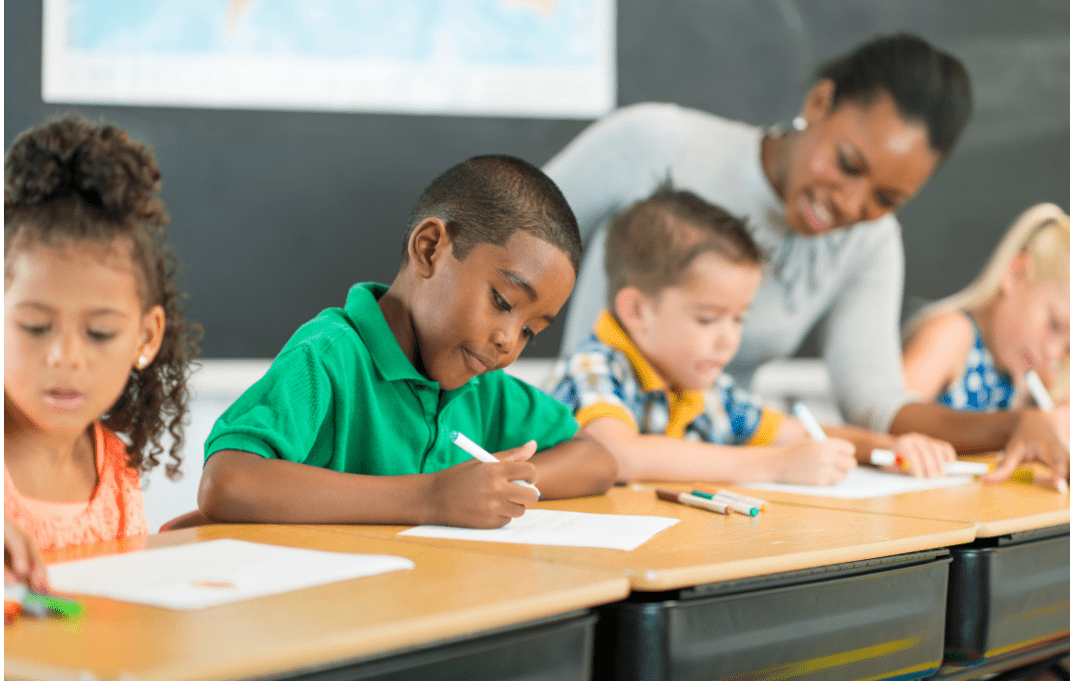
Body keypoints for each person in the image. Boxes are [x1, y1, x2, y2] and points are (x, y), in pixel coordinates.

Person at [545, 33, 1067, 485]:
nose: (851, 204)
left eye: (885, 200)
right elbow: (504, 237)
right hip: (615, 474)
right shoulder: (655, 144)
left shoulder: (870, 243)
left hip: (716, 476)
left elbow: (877, 401)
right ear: (819, 103)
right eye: (847, 163)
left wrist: (1003, 427)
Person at [198, 155, 618, 529]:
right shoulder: (329, 358)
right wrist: (431, 497)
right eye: (502, 301)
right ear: (430, 249)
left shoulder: (479, 386)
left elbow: (596, 460)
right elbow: (228, 480)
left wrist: (499, 485)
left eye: (531, 330)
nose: (508, 342)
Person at [547, 187, 857, 484]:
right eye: (707, 319)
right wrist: (774, 465)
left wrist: (882, 448)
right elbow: (619, 455)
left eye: (739, 318)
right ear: (638, 311)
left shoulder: (704, 388)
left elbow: (796, 434)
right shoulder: (592, 367)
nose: (729, 340)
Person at [4, 114, 199, 579]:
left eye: (99, 334)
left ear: (145, 338)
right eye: (35, 327)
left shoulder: (115, 473)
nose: (65, 356)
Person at [903, 203, 1070, 461]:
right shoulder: (953, 334)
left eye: (1068, 348)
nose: (1054, 352)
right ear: (1015, 274)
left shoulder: (1031, 376)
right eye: (1054, 325)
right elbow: (890, 416)